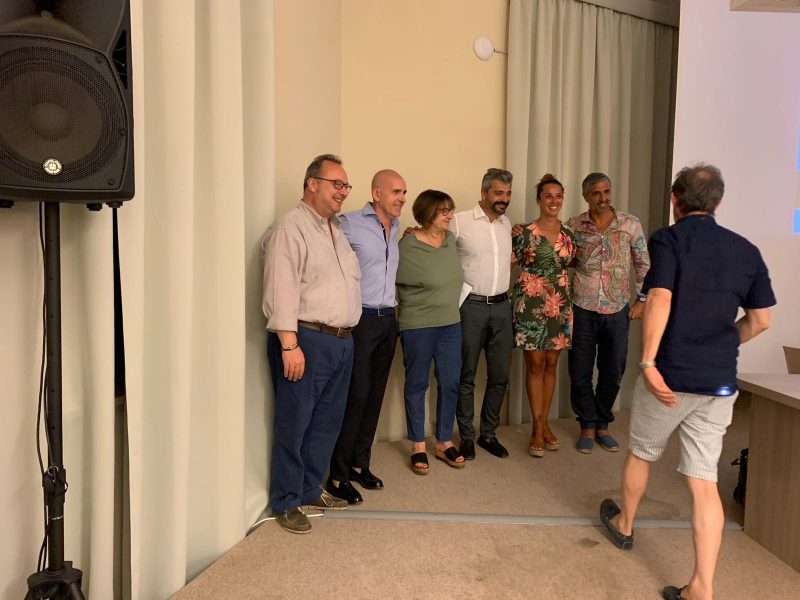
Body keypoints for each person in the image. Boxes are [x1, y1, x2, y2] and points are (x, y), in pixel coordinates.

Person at [599, 164, 775, 600]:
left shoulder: (669, 240)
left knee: (642, 452)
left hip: (670, 377)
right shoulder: (746, 250)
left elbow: (659, 297)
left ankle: (624, 524)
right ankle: (702, 586)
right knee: (703, 481)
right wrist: (722, 342)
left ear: (675, 200)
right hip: (719, 383)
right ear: (718, 202)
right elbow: (761, 321)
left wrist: (647, 361)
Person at [261, 154, 362, 534]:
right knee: (296, 422)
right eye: (337, 184)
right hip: (306, 339)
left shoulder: (335, 231)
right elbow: (281, 287)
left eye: (346, 185)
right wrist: (289, 345)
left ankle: (308, 488)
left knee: (326, 423)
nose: (343, 191)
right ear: (312, 184)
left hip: (341, 341)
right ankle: (286, 500)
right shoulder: (290, 228)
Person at [325, 170, 406, 504]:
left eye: (404, 192)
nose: (402, 198)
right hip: (362, 321)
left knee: (374, 396)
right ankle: (338, 475)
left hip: (388, 320)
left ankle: (360, 464)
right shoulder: (348, 224)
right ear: (376, 193)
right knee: (355, 396)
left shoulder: (396, 227)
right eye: (396, 192)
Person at [565, 173, 650, 454]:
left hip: (616, 309)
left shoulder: (629, 223)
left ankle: (602, 424)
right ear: (586, 197)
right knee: (579, 371)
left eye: (606, 192)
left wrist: (641, 300)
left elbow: (643, 264)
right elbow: (563, 258)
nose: (603, 198)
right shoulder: (574, 226)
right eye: (596, 193)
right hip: (582, 308)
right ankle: (587, 425)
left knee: (613, 371)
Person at [396, 189, 465, 474]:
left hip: (451, 323)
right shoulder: (408, 245)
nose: (449, 215)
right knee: (417, 384)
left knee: (450, 382)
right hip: (418, 325)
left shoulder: (450, 240)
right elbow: (392, 281)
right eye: (443, 211)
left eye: (450, 209)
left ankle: (444, 441)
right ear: (428, 213)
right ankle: (417, 445)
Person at [450, 168, 514, 460]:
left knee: (500, 375)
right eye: (499, 193)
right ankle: (466, 436)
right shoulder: (460, 221)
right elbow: (435, 244)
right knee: (466, 375)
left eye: (508, 194)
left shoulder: (506, 224)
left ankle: (488, 434)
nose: (504, 199)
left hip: (502, 307)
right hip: (471, 307)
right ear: (484, 192)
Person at [511, 174, 576, 457]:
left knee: (551, 364)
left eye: (558, 196)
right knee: (535, 364)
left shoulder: (569, 234)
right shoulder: (523, 232)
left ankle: (545, 422)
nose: (554, 201)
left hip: (559, 302)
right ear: (539, 199)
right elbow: (505, 262)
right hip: (530, 301)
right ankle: (536, 426)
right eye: (548, 196)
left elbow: (574, 264)